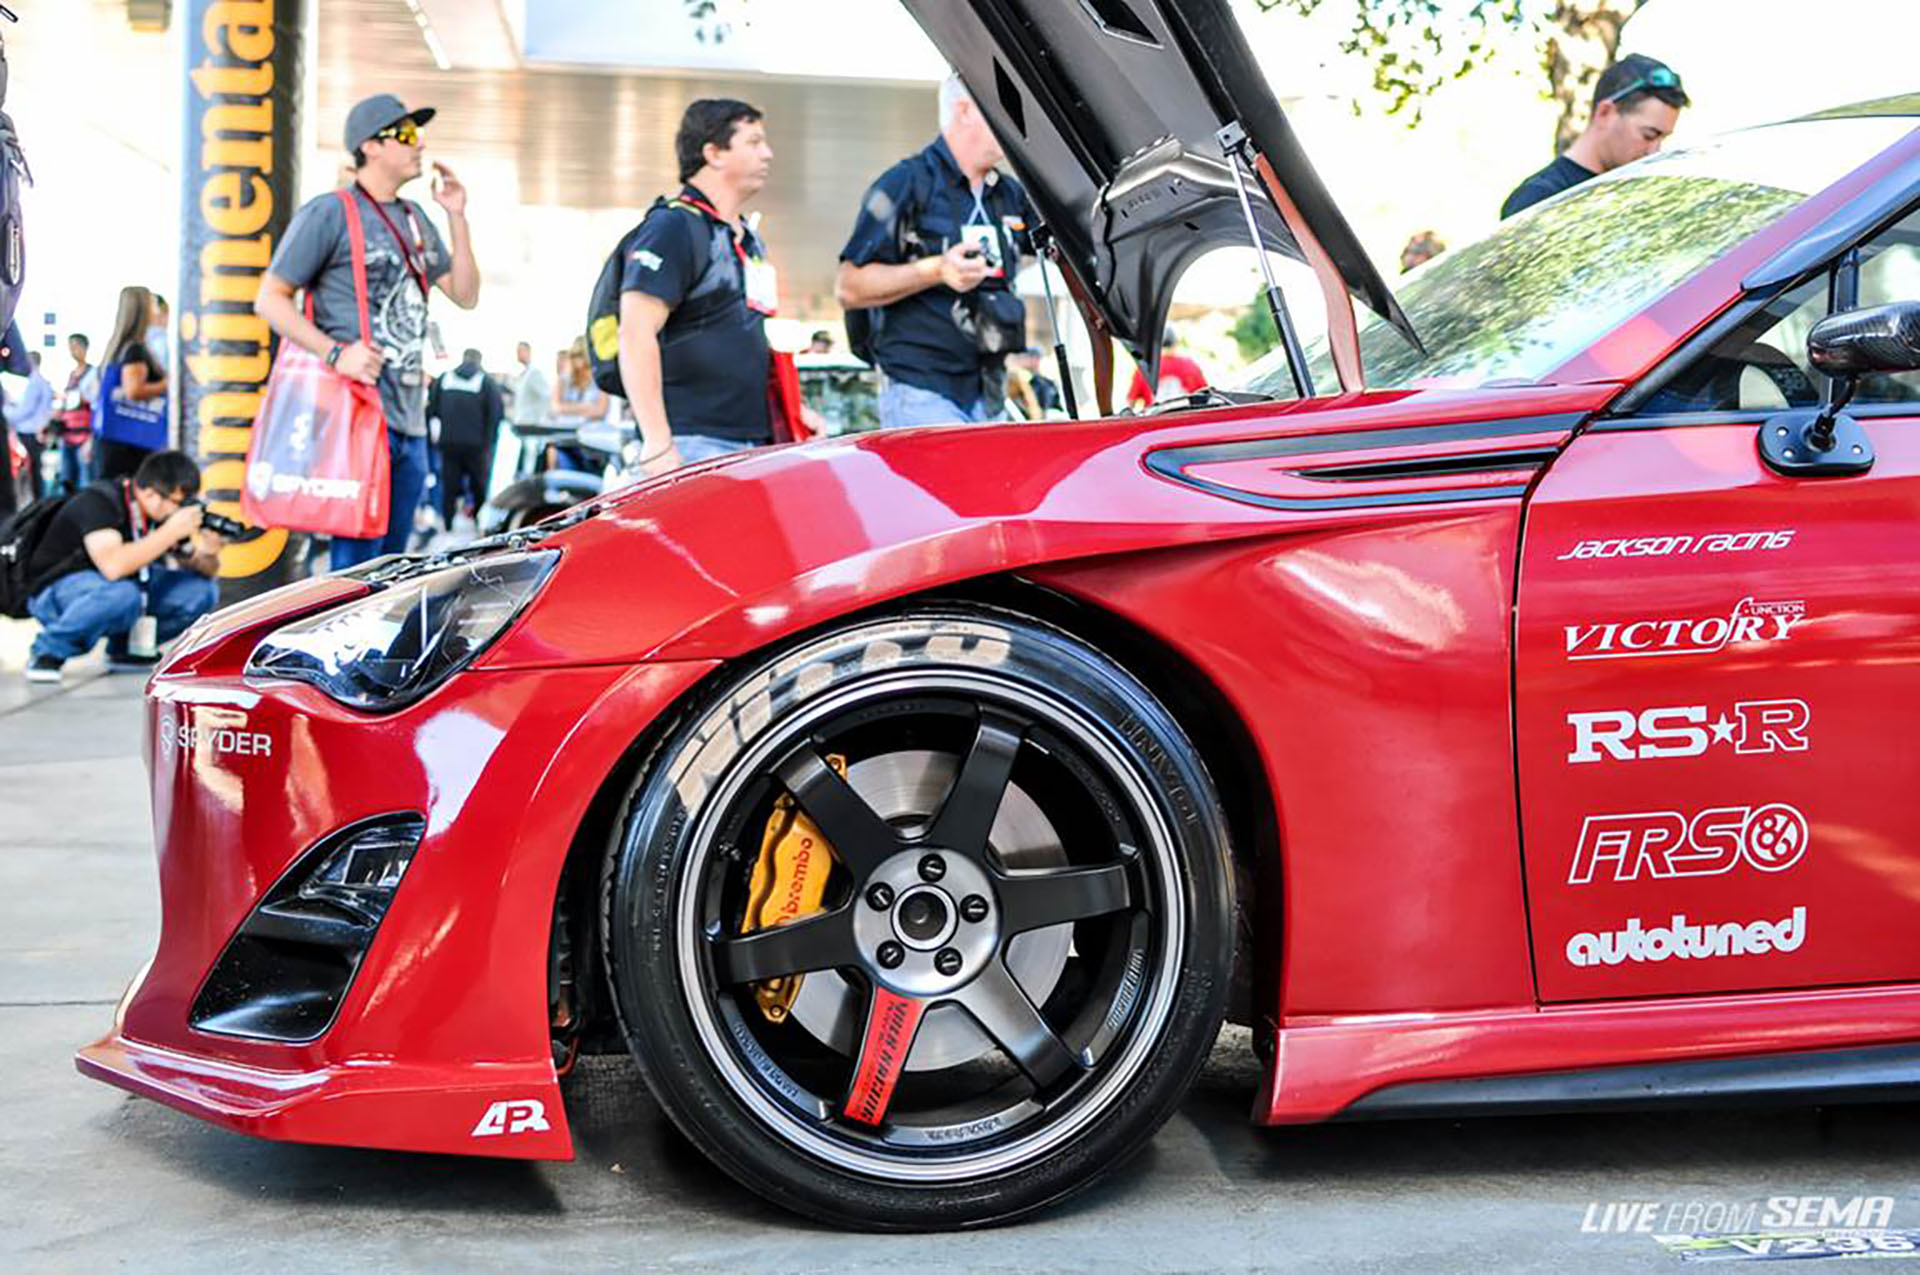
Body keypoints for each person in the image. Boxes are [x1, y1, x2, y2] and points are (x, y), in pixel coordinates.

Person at [255, 93, 480, 569]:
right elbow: (270, 298)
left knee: (391, 570)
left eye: (418, 135)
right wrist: (336, 353)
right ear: (370, 146)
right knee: (355, 571)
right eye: (405, 135)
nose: (418, 145)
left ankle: (375, 647)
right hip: (356, 414)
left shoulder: (417, 220)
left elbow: (464, 293)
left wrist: (456, 215)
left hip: (409, 420)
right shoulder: (330, 212)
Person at [837, 74, 1035, 429]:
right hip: (921, 390)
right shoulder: (906, 182)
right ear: (965, 110)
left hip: (990, 391)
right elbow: (849, 287)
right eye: (1003, 109)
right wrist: (936, 270)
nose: (1014, 121)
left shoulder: (1009, 194)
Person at [617, 98, 780, 474]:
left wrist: (789, 410)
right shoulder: (674, 227)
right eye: (753, 142)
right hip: (691, 445)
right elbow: (635, 332)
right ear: (713, 152)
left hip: (749, 444)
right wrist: (658, 443)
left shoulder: (747, 241)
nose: (768, 154)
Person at [21, 450, 223, 683]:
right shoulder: (100, 501)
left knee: (201, 591)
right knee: (124, 594)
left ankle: (126, 648)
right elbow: (114, 566)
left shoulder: (160, 515)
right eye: (178, 502)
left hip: (114, 589)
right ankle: (48, 651)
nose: (181, 511)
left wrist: (209, 550)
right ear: (151, 494)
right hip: (56, 591)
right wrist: (171, 532)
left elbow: (205, 571)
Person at [1501, 54, 1690, 219]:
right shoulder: (1538, 199)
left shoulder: (1631, 199)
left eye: (1663, 138)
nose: (1655, 151)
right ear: (1605, 113)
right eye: (1648, 135)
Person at [92, 287, 169, 480]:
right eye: (152, 305)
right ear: (143, 310)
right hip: (132, 444)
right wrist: (168, 384)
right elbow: (133, 391)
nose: (157, 311)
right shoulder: (136, 350)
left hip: (113, 438)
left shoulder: (116, 348)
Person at [426, 347, 503, 526]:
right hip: (477, 446)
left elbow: (431, 410)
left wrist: (436, 436)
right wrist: (489, 442)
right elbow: (495, 414)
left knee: (449, 483)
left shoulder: (445, 379)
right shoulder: (486, 382)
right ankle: (478, 520)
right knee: (479, 485)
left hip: (449, 442)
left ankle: (447, 522)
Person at [50, 334, 98, 496]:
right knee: (66, 481)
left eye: (76, 346)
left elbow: (95, 405)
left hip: (84, 437)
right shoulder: (71, 376)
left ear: (85, 348)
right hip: (67, 435)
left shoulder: (93, 374)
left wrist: (91, 438)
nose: (72, 350)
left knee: (85, 483)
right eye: (70, 346)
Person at [5, 349, 51, 498]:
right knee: (35, 472)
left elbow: (25, 410)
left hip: (29, 433)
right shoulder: (43, 382)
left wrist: (5, 412)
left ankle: (35, 504)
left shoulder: (35, 383)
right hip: (36, 432)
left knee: (31, 473)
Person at [1126, 328, 1207, 410]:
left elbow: (1131, 403)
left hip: (1156, 420)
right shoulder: (1190, 365)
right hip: (1186, 419)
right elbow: (1206, 396)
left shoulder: (1145, 368)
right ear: (1175, 342)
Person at [507, 340, 549, 428]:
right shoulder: (523, 374)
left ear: (528, 352)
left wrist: (540, 417)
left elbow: (546, 397)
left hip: (530, 424)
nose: (517, 354)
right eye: (517, 351)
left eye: (520, 351)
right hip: (522, 423)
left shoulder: (535, 373)